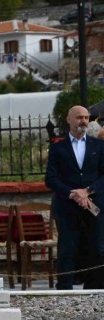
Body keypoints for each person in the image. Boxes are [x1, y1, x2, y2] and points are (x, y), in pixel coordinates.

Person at [45, 105, 104, 290]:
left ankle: (94, 287)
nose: (84, 121)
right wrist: (74, 193)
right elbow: (51, 178)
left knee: (97, 247)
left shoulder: (99, 146)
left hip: (94, 204)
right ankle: (65, 287)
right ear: (69, 120)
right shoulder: (58, 148)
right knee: (67, 248)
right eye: (79, 117)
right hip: (67, 206)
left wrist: (87, 191)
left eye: (86, 117)